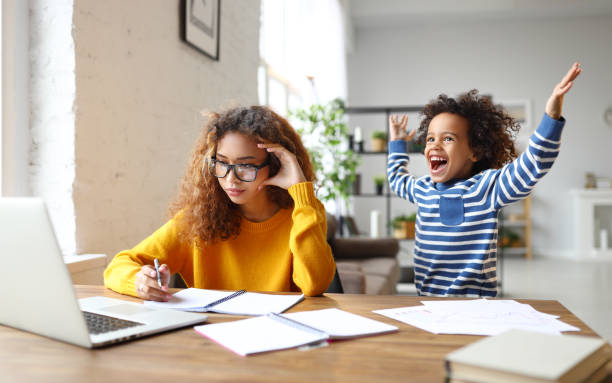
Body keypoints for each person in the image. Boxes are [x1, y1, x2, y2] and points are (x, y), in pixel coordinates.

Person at [387, 62, 582, 297]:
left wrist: (551, 117)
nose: (435, 145)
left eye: (447, 139)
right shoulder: (422, 189)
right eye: (430, 139)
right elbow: (397, 179)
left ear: (475, 152)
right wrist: (398, 144)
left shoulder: (487, 189)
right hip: (428, 302)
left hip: (476, 306)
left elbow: (533, 164)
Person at [104, 106, 336, 301]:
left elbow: (314, 285)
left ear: (275, 165)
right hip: (211, 342)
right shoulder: (197, 220)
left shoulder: (304, 214)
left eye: (246, 165)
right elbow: (119, 265)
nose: (230, 178)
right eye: (222, 163)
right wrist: (140, 281)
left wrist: (301, 191)